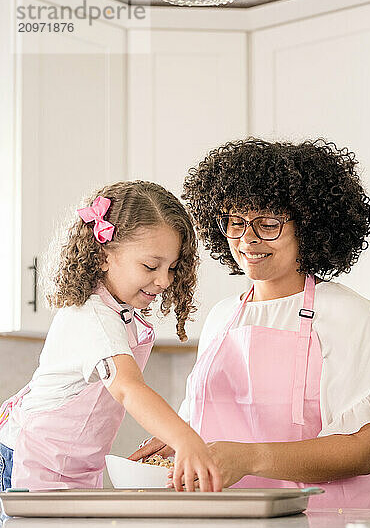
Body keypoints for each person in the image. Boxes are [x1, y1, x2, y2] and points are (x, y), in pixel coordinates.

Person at [131, 138, 370, 509]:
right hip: (231, 523)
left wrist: (251, 458)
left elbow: (361, 450)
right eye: (235, 223)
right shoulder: (222, 317)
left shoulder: (346, 312)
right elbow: (206, 424)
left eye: (268, 224)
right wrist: (175, 440)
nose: (248, 240)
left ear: (307, 226)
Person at [0, 181, 221, 493]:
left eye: (172, 268)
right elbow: (128, 388)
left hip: (70, 467)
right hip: (30, 461)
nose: (163, 280)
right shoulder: (93, 317)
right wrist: (185, 439)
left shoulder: (121, 313)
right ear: (103, 255)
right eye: (150, 266)